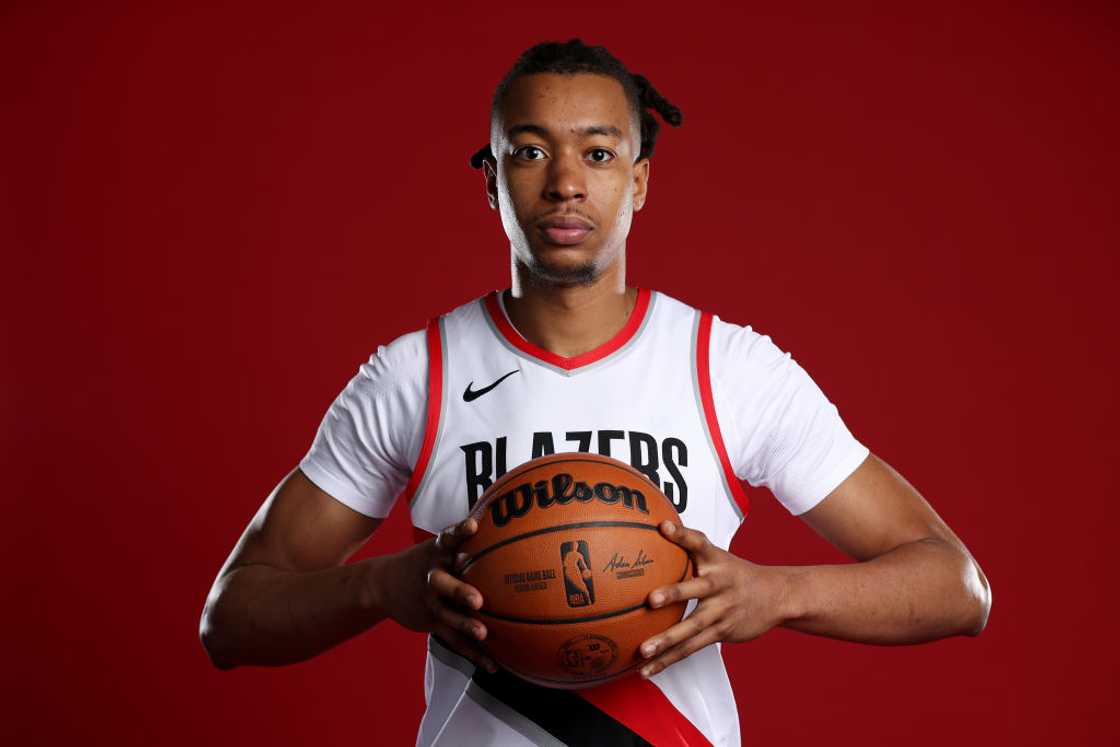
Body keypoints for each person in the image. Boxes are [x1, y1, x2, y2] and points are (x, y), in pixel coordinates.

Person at [199, 39, 991, 746]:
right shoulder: (417, 373)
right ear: (492, 179)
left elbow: (956, 586)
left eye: (599, 154)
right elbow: (231, 618)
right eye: (531, 152)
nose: (566, 183)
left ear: (640, 180)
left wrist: (776, 592)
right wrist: (380, 583)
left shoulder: (725, 367)